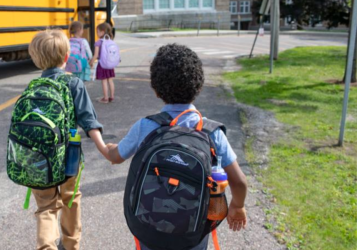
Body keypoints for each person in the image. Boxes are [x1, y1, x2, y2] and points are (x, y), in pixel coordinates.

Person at [104, 44, 248, 250]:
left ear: (156, 90)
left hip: (149, 231)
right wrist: (237, 206)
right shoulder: (211, 133)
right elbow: (240, 182)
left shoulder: (147, 126)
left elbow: (115, 156)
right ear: (198, 87)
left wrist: (102, 143)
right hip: (193, 233)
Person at [28, 29, 108, 250]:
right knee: (70, 199)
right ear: (66, 57)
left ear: (36, 59)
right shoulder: (73, 84)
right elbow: (88, 120)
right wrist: (104, 149)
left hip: (37, 159)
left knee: (46, 207)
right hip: (68, 159)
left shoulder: (33, 87)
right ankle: (71, 245)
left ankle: (46, 246)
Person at [90, 22, 116, 103]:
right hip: (110, 64)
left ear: (102, 32)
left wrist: (91, 62)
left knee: (104, 81)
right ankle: (111, 96)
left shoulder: (99, 42)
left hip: (102, 64)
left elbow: (96, 55)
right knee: (110, 80)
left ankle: (105, 98)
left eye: (97, 31)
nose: (97, 33)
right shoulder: (110, 41)